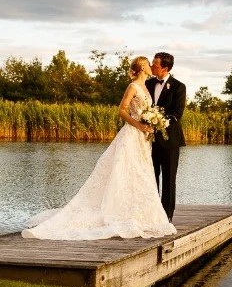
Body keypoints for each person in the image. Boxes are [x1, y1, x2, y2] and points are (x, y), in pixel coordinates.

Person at [22, 56, 177, 240]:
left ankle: (137, 212)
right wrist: (139, 124)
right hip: (132, 134)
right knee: (124, 171)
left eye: (155, 63)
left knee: (139, 174)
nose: (152, 66)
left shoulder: (147, 86)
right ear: (143, 66)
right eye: (149, 63)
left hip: (144, 139)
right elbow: (121, 110)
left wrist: (151, 121)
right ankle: (118, 212)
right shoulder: (133, 86)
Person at [147, 52, 186, 222]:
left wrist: (158, 120)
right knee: (150, 177)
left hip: (170, 140)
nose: (151, 67)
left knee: (169, 180)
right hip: (148, 141)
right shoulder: (147, 84)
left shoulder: (178, 87)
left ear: (165, 67)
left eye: (155, 65)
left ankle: (167, 216)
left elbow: (177, 113)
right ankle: (152, 213)